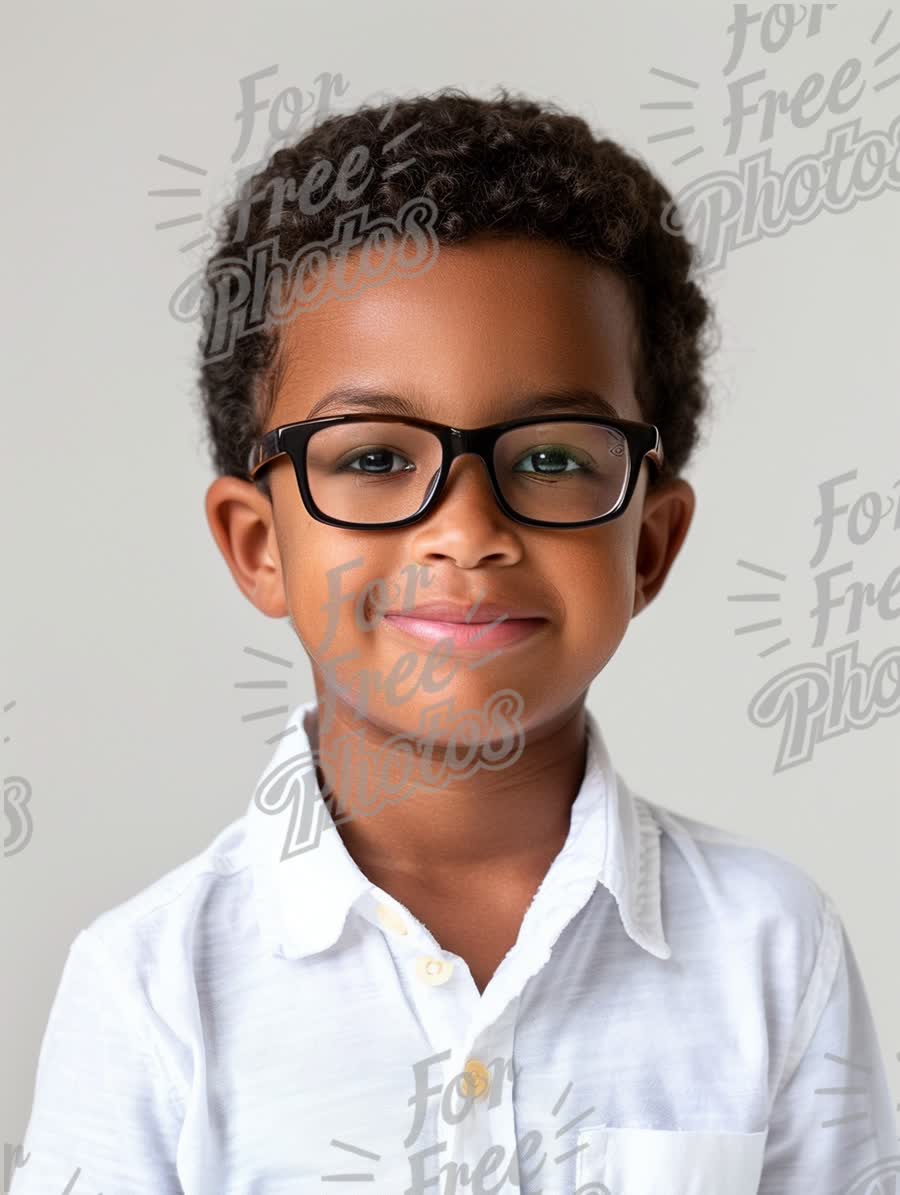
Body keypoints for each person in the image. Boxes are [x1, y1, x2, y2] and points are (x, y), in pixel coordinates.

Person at [11, 87, 895, 1195]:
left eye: (554, 458)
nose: (468, 531)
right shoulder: (151, 986)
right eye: (376, 457)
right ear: (258, 545)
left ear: (652, 543)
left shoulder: (773, 949)